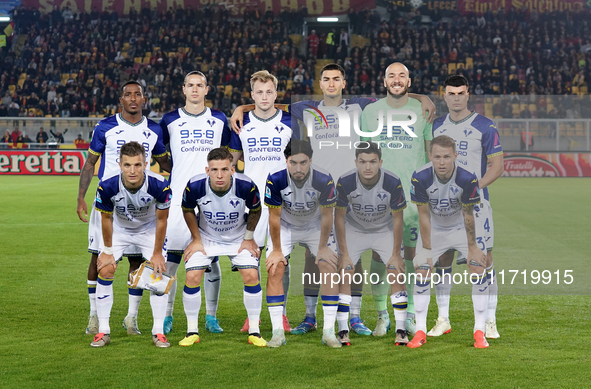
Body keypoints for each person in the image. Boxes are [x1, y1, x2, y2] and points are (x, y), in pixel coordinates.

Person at [230, 63, 435, 337]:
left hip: (351, 192)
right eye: (326, 79)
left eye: (336, 79)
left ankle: (355, 316)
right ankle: (310, 315)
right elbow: (267, 104)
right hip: (317, 192)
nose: (331, 83)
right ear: (320, 82)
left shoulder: (359, 106)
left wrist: (424, 97)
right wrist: (242, 108)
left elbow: (396, 97)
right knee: (314, 257)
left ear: (344, 83)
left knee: (355, 253)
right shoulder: (306, 108)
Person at [77, 80, 171, 337]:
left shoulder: (154, 129)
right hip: (108, 203)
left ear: (143, 100)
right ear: (121, 100)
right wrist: (81, 197)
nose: (132, 98)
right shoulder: (105, 126)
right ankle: (94, 315)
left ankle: (131, 317)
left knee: (137, 261)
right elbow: (90, 163)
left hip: (142, 206)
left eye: (137, 94)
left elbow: (166, 163)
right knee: (99, 259)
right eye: (127, 94)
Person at [359, 62, 434, 337]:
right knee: (380, 257)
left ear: (409, 82)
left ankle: (411, 314)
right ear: (384, 81)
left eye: (402, 75)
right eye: (391, 75)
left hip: (414, 199)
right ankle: (382, 315)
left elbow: (429, 155)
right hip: (380, 197)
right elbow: (364, 153)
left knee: (412, 257)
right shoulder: (370, 112)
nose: (397, 80)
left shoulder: (422, 110)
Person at [430, 75, 504, 339]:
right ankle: (443, 319)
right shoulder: (436, 125)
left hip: (477, 206)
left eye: (461, 92)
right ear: (445, 95)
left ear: (468, 94)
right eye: (451, 93)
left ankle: (490, 321)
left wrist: (473, 189)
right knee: (443, 259)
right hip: (443, 207)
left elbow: (498, 166)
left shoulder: (485, 126)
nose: (456, 97)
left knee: (484, 261)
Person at [159, 71, 231, 335]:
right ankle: (167, 316)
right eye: (190, 85)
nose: (195, 90)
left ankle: (211, 316)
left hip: (211, 199)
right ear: (183, 89)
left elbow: (227, 155)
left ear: (207, 89)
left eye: (200, 85)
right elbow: (159, 153)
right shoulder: (169, 120)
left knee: (210, 260)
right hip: (178, 198)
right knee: (171, 261)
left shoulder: (219, 119)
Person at [406, 135, 489, 349]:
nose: (441, 162)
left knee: (479, 266)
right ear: (430, 156)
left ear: (455, 156)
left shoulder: (467, 178)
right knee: (422, 269)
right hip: (435, 229)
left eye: (446, 157)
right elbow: (423, 215)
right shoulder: (420, 177)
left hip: (461, 227)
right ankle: (421, 331)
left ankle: (479, 331)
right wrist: (426, 250)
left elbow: (468, 214)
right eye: (437, 157)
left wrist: (472, 249)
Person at [179, 147, 266, 347]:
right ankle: (192, 331)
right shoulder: (195, 185)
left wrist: (248, 237)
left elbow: (256, 209)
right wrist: (196, 239)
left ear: (232, 169)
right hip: (207, 238)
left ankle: (255, 331)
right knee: (192, 276)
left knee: (251, 275)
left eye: (225, 169)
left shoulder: (246, 185)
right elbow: (187, 209)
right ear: (207, 170)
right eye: (214, 169)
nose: (219, 175)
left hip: (238, 237)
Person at [229, 70, 294, 332]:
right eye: (259, 92)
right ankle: (252, 315)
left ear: (276, 94)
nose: (264, 96)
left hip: (283, 200)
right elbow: (232, 163)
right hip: (251, 201)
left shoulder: (291, 121)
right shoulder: (241, 124)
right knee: (250, 261)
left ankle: (284, 314)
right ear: (252, 94)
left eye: (269, 92)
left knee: (280, 261)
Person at [90, 141, 172, 348]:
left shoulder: (159, 185)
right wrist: (107, 251)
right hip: (119, 230)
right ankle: (103, 331)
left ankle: (158, 332)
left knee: (158, 272)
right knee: (106, 269)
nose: (132, 170)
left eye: (137, 165)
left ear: (146, 164)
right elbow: (106, 219)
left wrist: (156, 253)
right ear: (120, 164)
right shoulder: (107, 185)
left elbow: (162, 220)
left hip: (149, 230)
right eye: (127, 165)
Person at [264, 140, 340, 348]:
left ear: (311, 161)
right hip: (286, 226)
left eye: (303, 163)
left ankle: (329, 332)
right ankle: (277, 332)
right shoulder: (275, 178)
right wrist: (277, 251)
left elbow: (327, 216)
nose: (298, 168)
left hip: (315, 226)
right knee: (275, 268)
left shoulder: (323, 179)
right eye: (293, 162)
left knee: (328, 265)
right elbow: (274, 217)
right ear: (286, 161)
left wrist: (323, 248)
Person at [334, 142, 409, 346]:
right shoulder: (345, 181)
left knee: (396, 270)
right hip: (354, 229)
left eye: (373, 162)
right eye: (363, 162)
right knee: (345, 270)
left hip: (383, 229)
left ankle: (401, 330)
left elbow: (398, 219)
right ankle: (342, 330)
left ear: (380, 162)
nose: (368, 167)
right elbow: (339, 218)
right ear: (356, 162)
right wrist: (343, 253)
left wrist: (395, 253)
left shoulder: (392, 181)